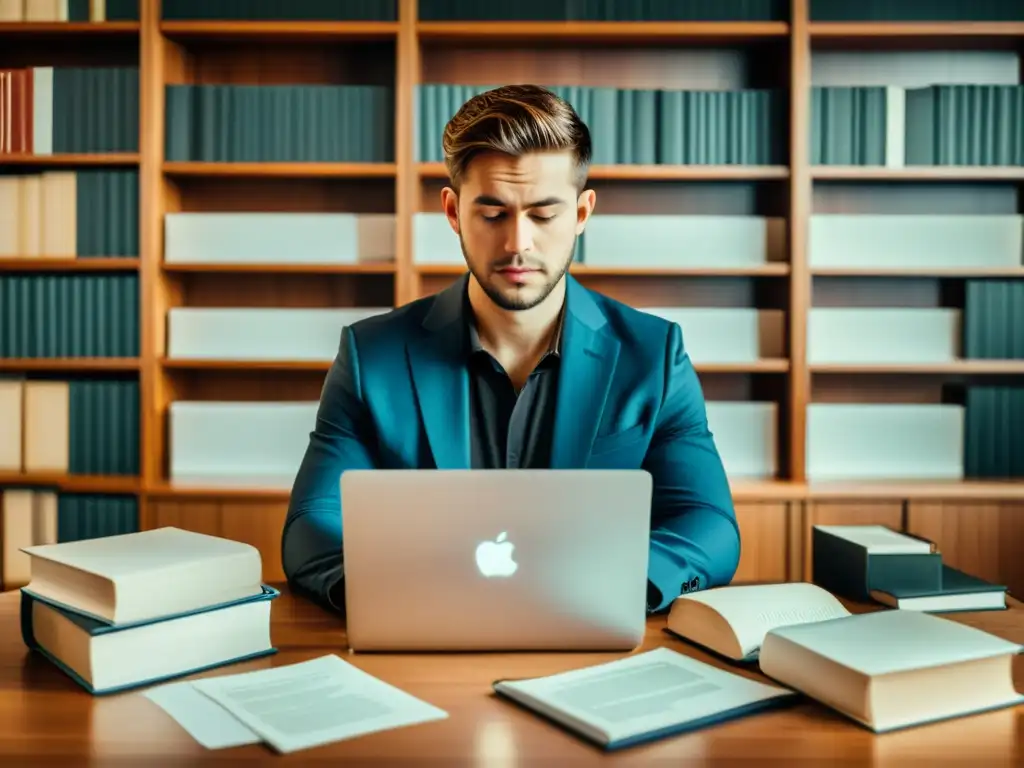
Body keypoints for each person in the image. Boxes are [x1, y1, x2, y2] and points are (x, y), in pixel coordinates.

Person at [281, 84, 741, 615]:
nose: (518, 243)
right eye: (493, 213)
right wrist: (408, 591)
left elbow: (709, 526)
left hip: (593, 637)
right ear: (453, 212)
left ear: (582, 213)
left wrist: (609, 588)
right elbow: (311, 526)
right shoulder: (370, 356)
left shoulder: (654, 356)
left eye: (544, 215)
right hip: (424, 638)